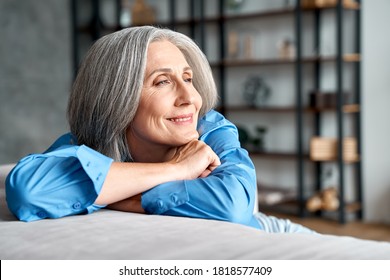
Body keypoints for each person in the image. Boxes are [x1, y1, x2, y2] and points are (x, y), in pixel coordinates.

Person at [5, 26, 314, 233]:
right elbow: (29, 191)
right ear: (116, 98)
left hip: (275, 232)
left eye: (188, 78)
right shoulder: (88, 142)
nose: (190, 98)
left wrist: (116, 194)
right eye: (163, 81)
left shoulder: (212, 129)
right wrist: (176, 169)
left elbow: (232, 206)